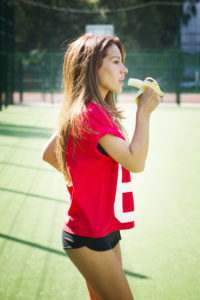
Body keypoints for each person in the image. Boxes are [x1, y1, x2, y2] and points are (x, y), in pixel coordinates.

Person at [42, 33, 160, 300]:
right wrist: (144, 112)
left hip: (106, 228)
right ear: (93, 65)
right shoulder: (91, 113)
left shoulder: (89, 109)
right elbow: (136, 162)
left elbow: (50, 154)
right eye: (116, 62)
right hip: (88, 234)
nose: (125, 69)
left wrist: (86, 183)